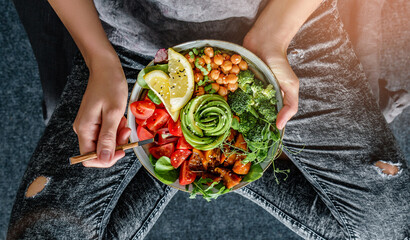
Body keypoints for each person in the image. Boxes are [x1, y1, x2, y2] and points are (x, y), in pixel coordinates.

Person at [8, 0, 409, 239]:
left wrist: (274, 33)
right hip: (128, 42)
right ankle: (211, 159)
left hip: (289, 27)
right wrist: (98, 58)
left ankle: (212, 160)